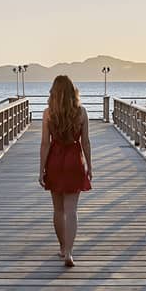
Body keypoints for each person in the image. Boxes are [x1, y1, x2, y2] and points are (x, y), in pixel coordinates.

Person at [39, 75, 91, 266]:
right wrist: (90, 166)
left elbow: (45, 144)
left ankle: (62, 247)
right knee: (71, 211)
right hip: (74, 161)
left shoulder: (48, 113)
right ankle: (69, 251)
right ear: (72, 92)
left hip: (55, 160)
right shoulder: (81, 112)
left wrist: (41, 169)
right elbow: (85, 142)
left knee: (58, 210)